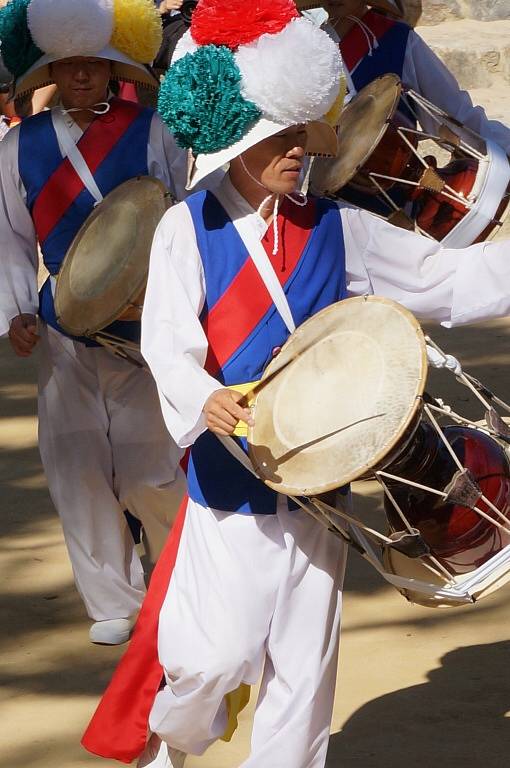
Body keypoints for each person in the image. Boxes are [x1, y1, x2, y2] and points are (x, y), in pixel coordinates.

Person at [82, 2, 510, 767]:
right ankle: (177, 731)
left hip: (322, 487)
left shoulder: (340, 228)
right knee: (211, 660)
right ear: (242, 143)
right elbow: (166, 343)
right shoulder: (186, 228)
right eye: (282, 139)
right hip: (226, 486)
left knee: (304, 679)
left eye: (302, 137)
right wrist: (199, 394)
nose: (299, 153)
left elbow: (446, 280)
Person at [0, 0, 188, 645]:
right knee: (75, 465)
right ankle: (113, 601)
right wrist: (16, 311)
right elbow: (10, 241)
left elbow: (181, 219)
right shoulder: (18, 146)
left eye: (95, 64)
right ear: (49, 71)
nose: (82, 76)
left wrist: (173, 301)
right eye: (68, 65)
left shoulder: (155, 129)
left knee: (149, 465)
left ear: (116, 70)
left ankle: (177, 571)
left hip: (146, 322)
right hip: (61, 328)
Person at [298, 0, 510, 152]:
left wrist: (502, 147)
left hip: (391, 187)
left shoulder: (398, 40)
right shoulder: (308, 44)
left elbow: (452, 114)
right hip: (323, 194)